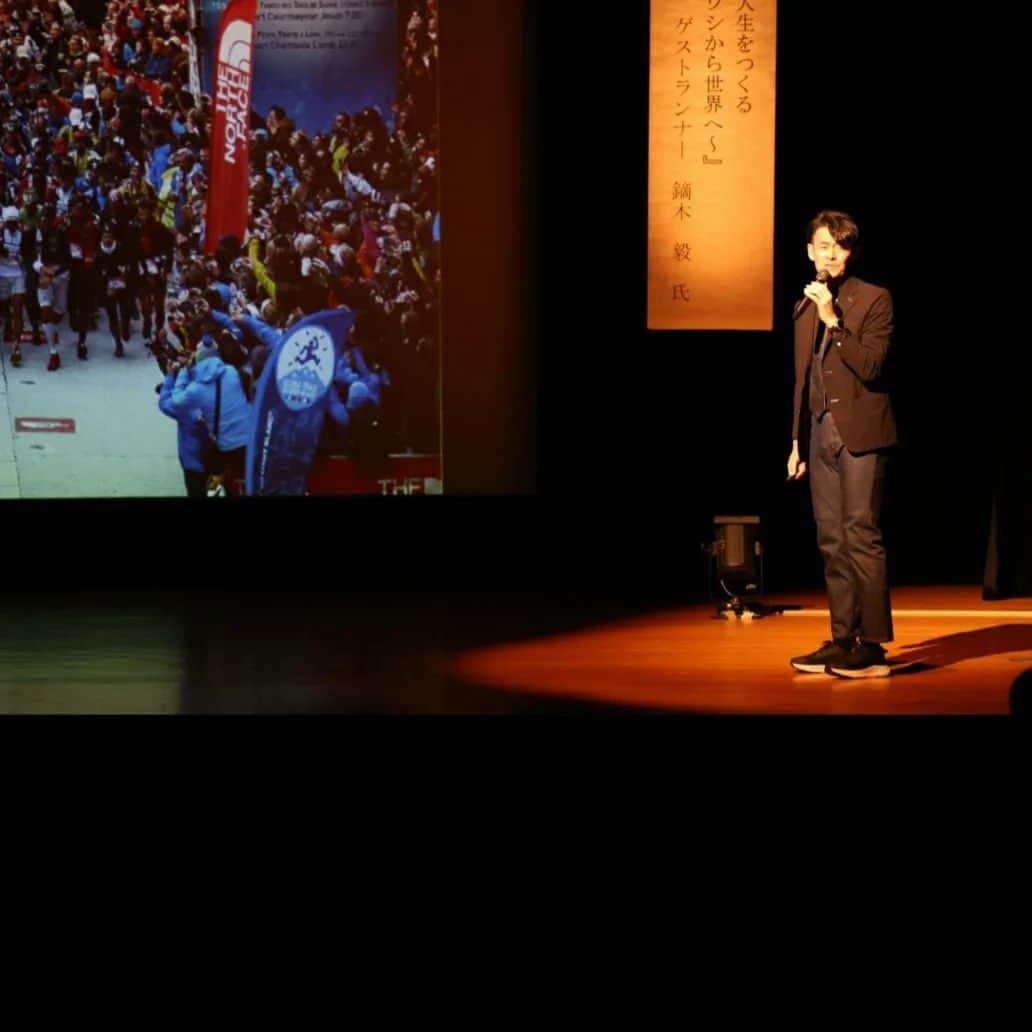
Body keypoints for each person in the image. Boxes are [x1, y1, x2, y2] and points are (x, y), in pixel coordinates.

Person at [787, 210, 897, 679]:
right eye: (823, 246)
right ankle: (841, 638)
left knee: (859, 535)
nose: (831, 253)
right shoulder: (803, 305)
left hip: (861, 433)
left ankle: (871, 647)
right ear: (810, 251)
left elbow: (871, 367)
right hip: (819, 434)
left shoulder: (873, 299)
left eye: (840, 245)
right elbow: (803, 378)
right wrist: (796, 440)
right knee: (830, 539)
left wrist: (834, 319)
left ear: (850, 252)